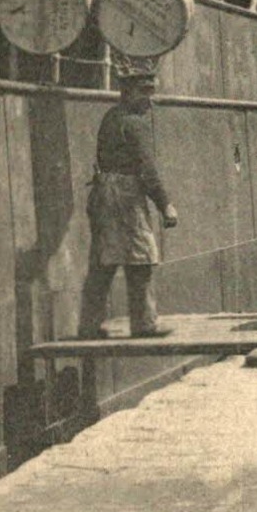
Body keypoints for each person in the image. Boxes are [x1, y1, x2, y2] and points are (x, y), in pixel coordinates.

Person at [78, 64, 178, 339]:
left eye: (151, 91)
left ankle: (88, 325)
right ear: (127, 92)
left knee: (104, 260)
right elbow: (147, 170)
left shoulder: (111, 117)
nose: (149, 99)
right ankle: (144, 324)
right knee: (141, 258)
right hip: (125, 196)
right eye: (144, 92)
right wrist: (165, 204)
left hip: (103, 194)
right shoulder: (135, 123)